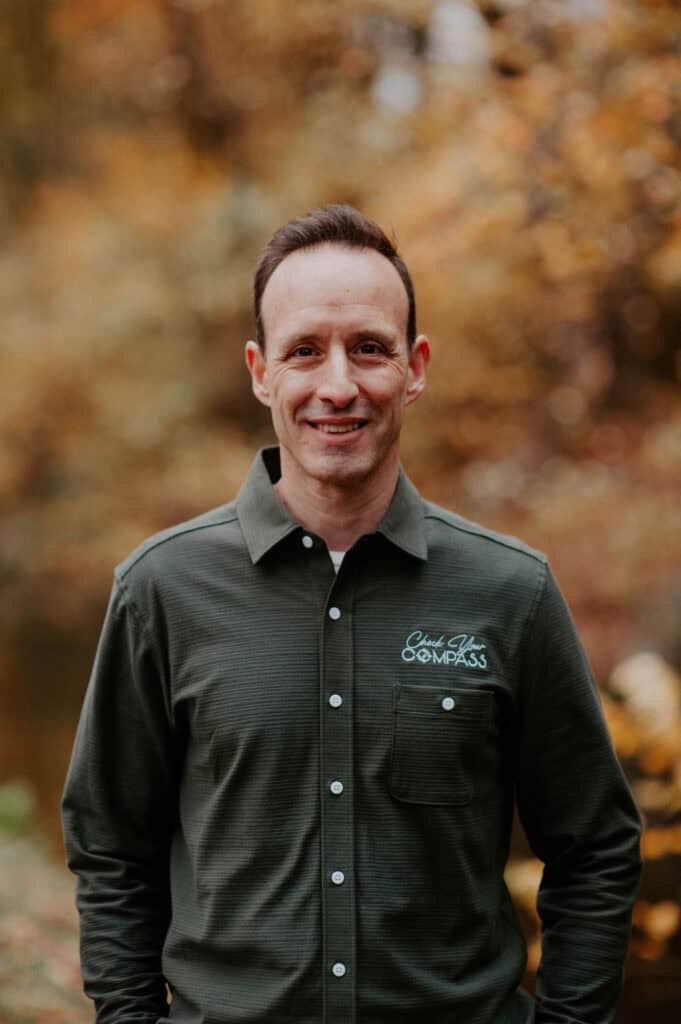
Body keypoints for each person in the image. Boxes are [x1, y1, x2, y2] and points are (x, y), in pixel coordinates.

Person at [63, 204, 642, 1024]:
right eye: (305, 351)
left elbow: (594, 848)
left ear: (415, 367)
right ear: (261, 371)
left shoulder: (510, 593)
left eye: (368, 348)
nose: (338, 385)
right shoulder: (161, 589)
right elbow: (112, 848)